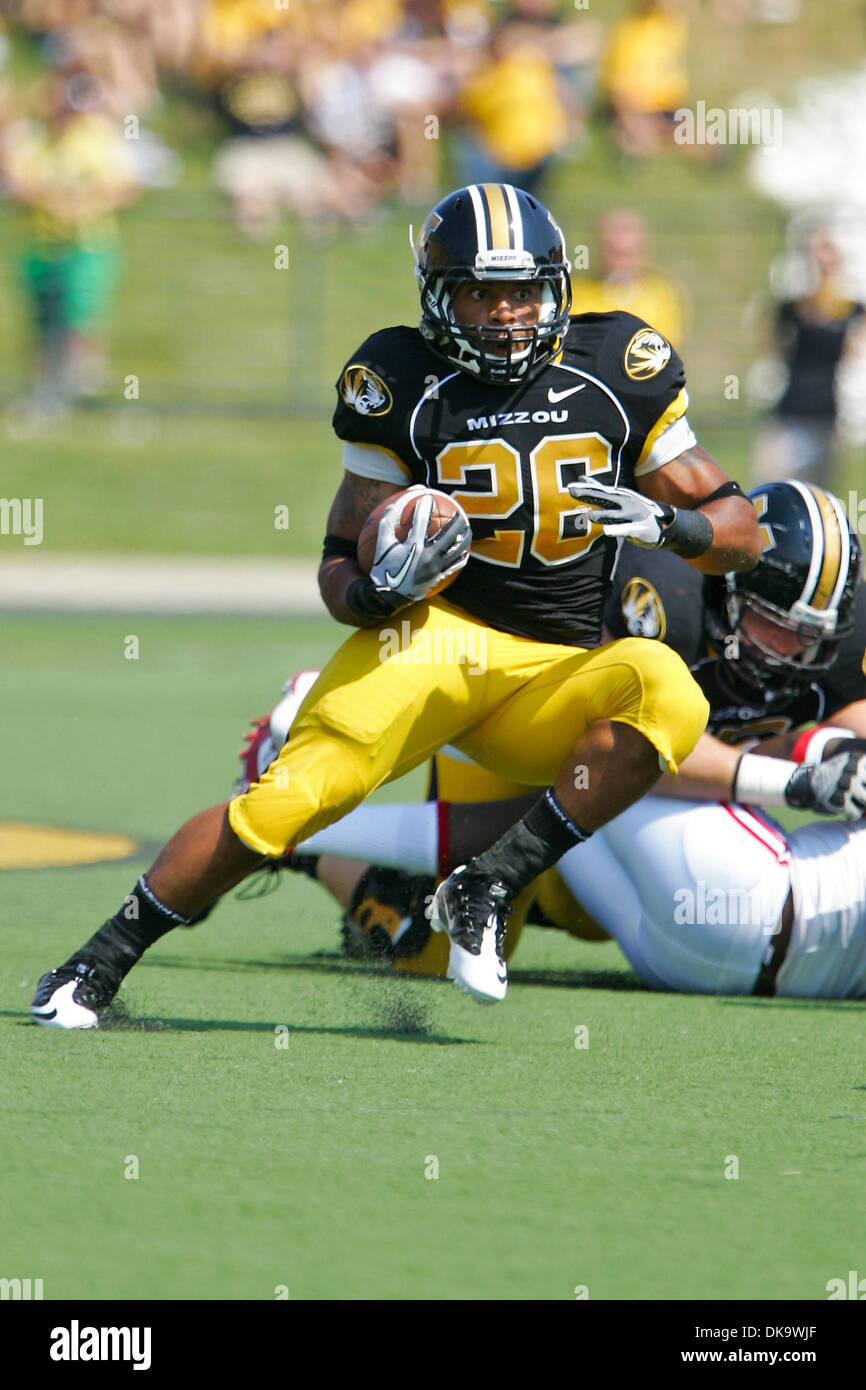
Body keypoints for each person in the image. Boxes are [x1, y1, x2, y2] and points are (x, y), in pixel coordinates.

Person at [31, 182, 761, 1028]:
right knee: (285, 802)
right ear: (438, 295)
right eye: (481, 292)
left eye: (523, 290)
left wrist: (671, 524)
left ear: (556, 287)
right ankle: (94, 965)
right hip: (435, 643)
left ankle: (489, 882)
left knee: (668, 690)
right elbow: (338, 562)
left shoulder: (617, 365)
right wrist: (376, 592)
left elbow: (741, 530)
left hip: (558, 672)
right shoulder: (401, 377)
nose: (506, 314)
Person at [246, 481, 866, 998]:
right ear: (730, 585)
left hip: (626, 803)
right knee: (430, 955)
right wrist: (789, 777)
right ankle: (305, 813)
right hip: (534, 736)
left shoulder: (840, 641)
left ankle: (320, 844)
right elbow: (621, 747)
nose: (796, 652)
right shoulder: (664, 596)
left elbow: (850, 736)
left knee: (600, 905)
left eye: (817, 636)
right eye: (777, 626)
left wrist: (832, 757)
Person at [570, 208, 687, 348]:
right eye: (614, 253)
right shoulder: (575, 294)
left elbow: (662, 352)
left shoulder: (662, 297)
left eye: (627, 254)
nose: (621, 264)